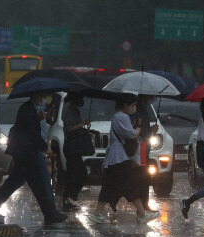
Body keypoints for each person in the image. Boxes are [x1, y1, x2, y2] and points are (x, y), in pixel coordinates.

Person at [0, 90, 68, 225]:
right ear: (36, 95)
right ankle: (50, 214)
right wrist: (46, 148)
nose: (44, 98)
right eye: (42, 95)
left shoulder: (35, 110)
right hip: (29, 154)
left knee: (25, 184)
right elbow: (32, 134)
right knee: (43, 182)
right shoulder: (27, 110)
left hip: (27, 153)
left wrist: (42, 117)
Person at [89, 94, 159, 224]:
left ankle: (97, 213)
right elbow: (132, 135)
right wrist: (138, 127)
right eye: (132, 105)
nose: (133, 108)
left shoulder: (118, 117)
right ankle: (142, 213)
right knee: (130, 185)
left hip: (115, 158)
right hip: (120, 158)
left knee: (109, 186)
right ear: (125, 105)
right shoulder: (122, 116)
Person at [62, 92, 99, 211]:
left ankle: (69, 199)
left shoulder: (75, 111)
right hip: (71, 148)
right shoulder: (69, 112)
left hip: (74, 147)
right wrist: (84, 123)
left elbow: (77, 128)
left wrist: (90, 131)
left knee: (74, 174)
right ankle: (70, 198)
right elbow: (70, 128)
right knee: (79, 173)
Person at [132, 94, 159, 212]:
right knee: (143, 177)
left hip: (144, 147)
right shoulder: (138, 108)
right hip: (141, 147)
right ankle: (143, 205)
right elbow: (139, 127)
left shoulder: (142, 107)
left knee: (144, 177)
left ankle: (144, 204)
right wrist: (151, 130)